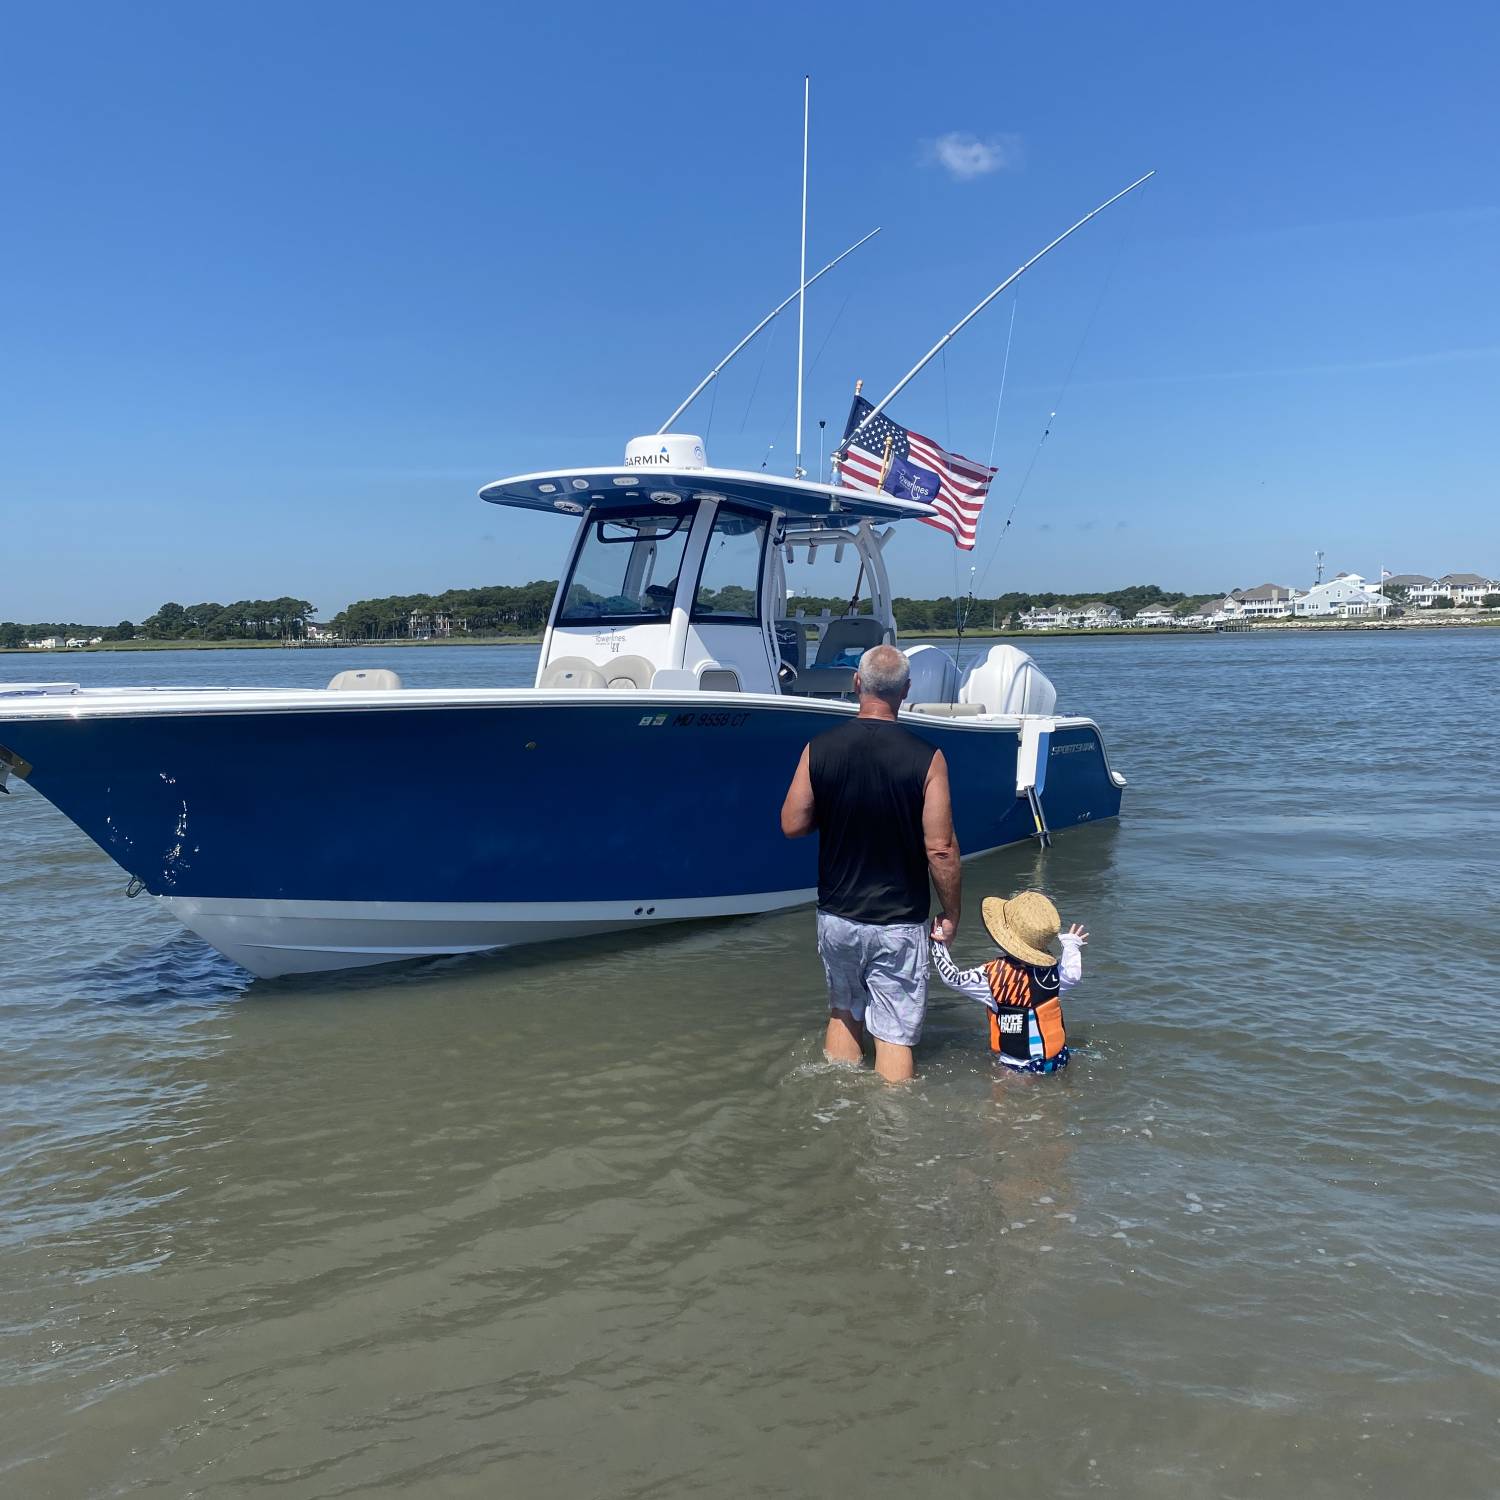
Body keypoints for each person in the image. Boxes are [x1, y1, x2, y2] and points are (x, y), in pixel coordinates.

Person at [779, 643, 961, 1083]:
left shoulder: (818, 748)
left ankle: (838, 1105)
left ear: (857, 684)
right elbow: (940, 849)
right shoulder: (928, 757)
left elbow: (792, 824)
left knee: (844, 1013)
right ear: (906, 691)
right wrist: (952, 913)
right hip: (898, 921)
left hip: (838, 915)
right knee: (894, 1032)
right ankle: (893, 1134)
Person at [930, 890, 1088, 1074]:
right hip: (1059, 1058)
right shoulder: (1052, 973)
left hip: (1017, 1068)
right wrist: (1071, 945)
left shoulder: (992, 976)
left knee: (1000, 1097)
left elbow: (952, 977)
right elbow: (1073, 975)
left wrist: (937, 942)